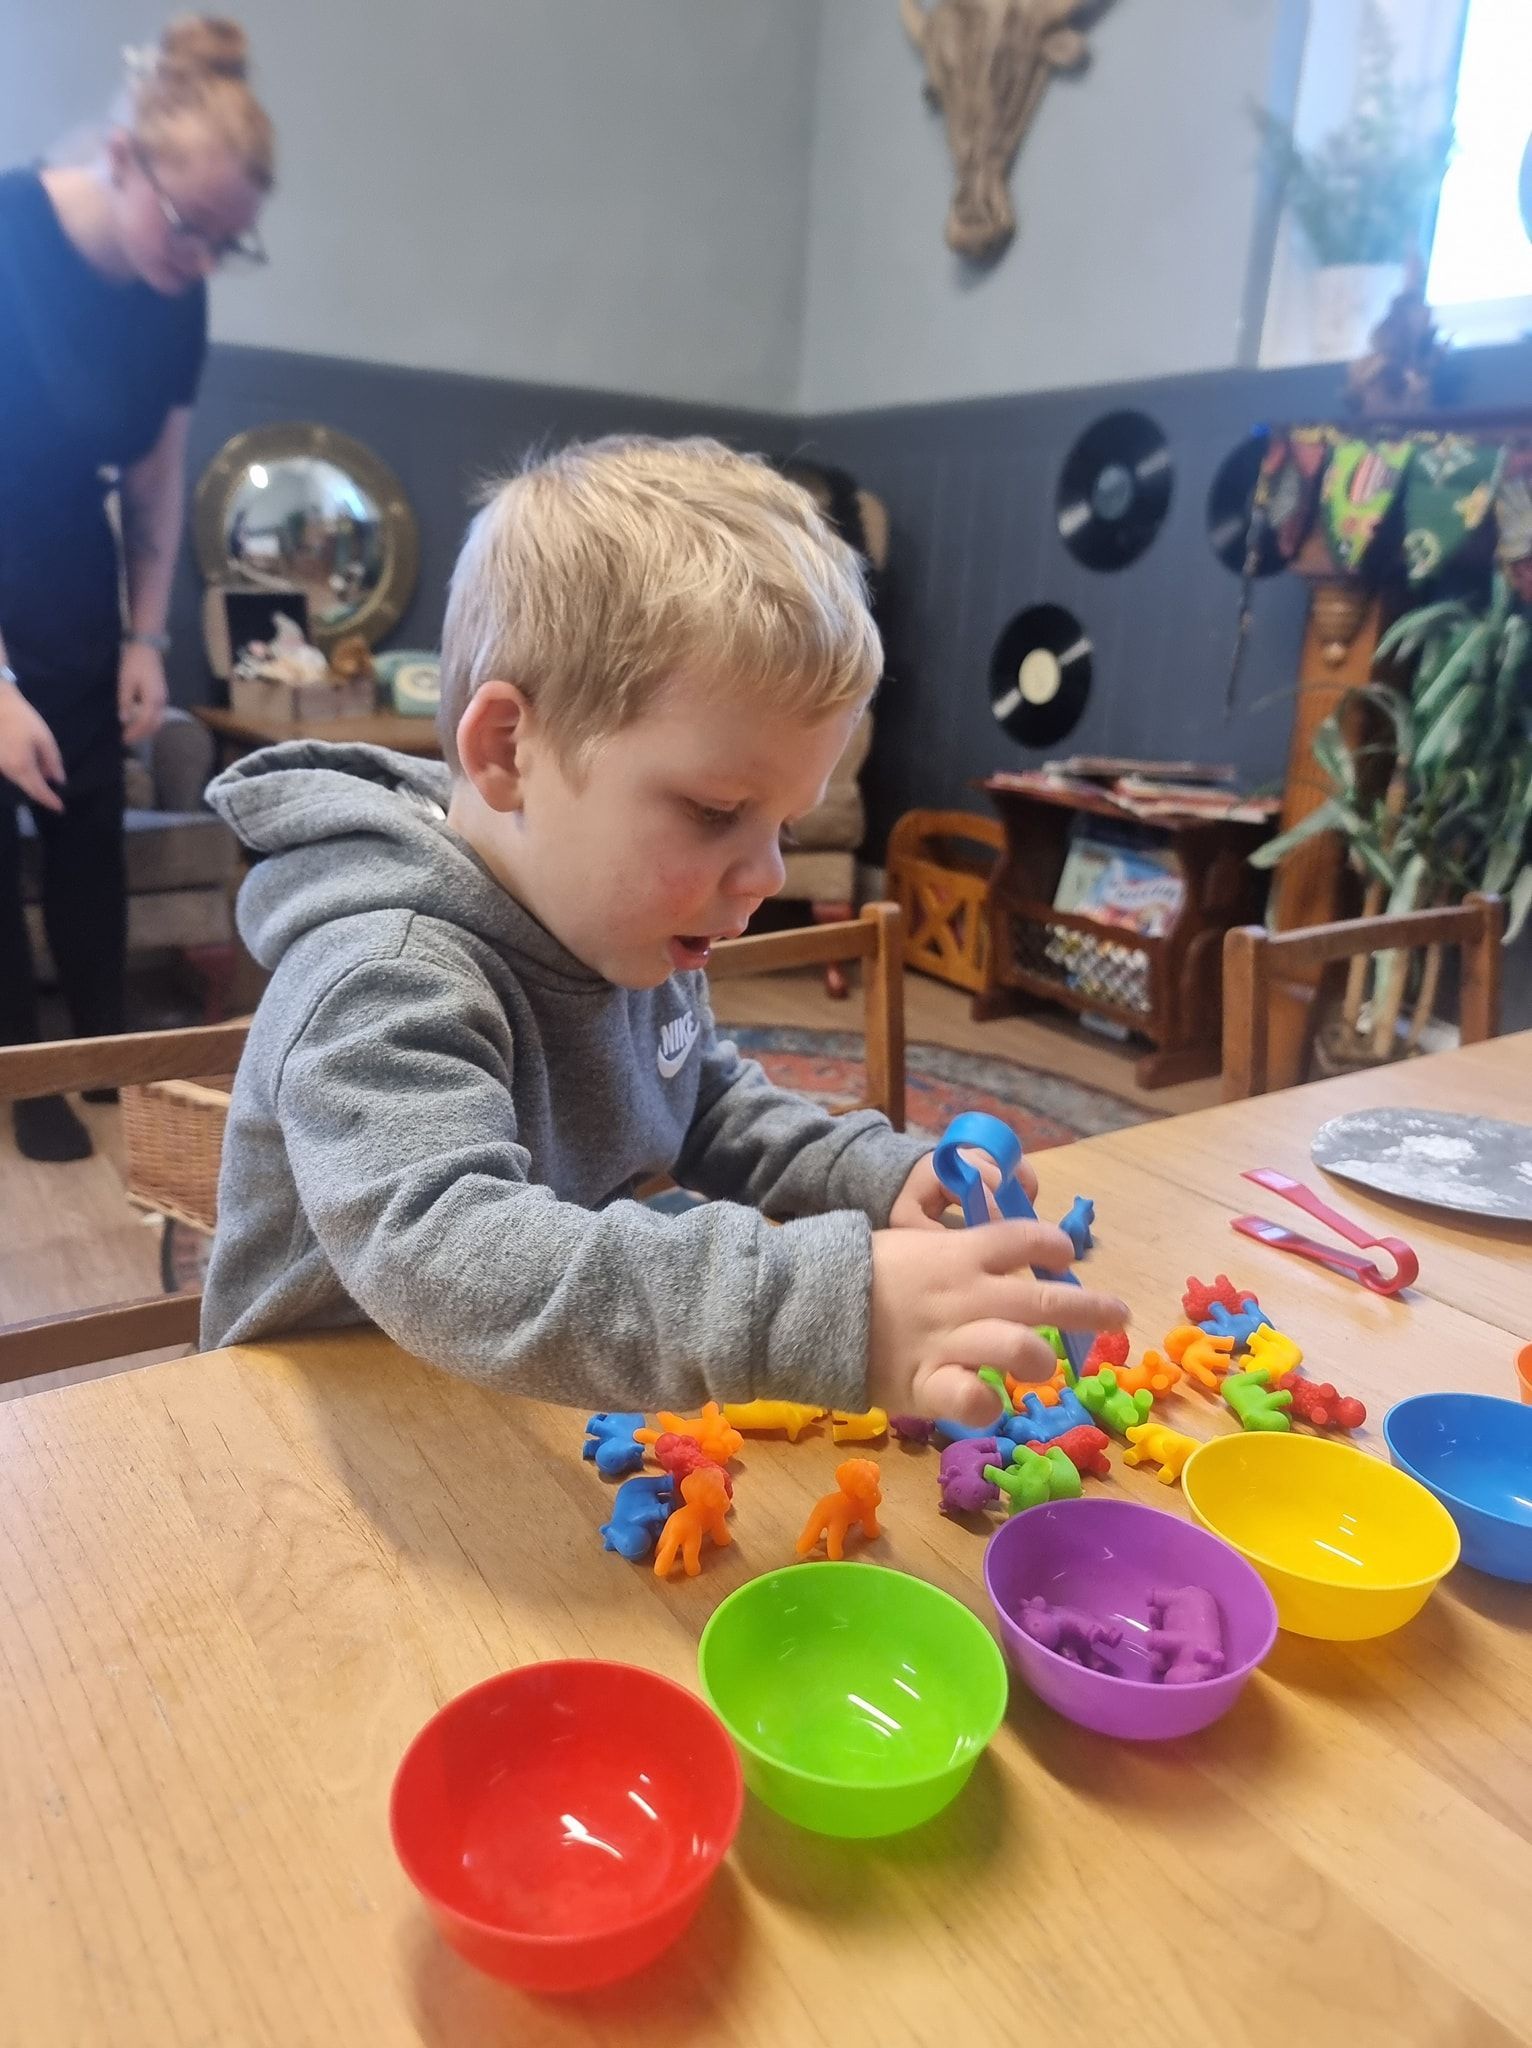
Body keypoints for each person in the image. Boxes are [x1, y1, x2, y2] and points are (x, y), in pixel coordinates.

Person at [200, 437, 1127, 1423]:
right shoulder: (381, 970)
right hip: (325, 1437)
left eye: (786, 824)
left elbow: (701, 1102)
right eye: (715, 809)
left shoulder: (627, 920)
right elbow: (454, 1259)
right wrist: (821, 1302)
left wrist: (878, 1173)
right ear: (509, 748)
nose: (766, 873)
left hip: (525, 1403)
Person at [0, 16, 273, 1161]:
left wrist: (145, 638)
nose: (202, 258)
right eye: (188, 225)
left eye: (229, 241)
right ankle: (26, 1081)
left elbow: (157, 480)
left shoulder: (177, 292)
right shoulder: (10, 229)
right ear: (122, 160)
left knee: (87, 819)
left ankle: (103, 1052)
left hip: (69, 552)